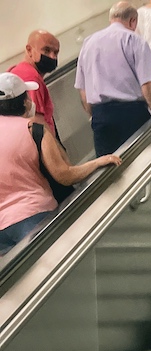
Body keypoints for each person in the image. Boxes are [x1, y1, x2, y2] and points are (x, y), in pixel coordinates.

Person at [0, 73, 120, 254]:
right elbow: (64, 175)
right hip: (34, 216)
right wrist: (97, 162)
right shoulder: (34, 130)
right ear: (24, 101)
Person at [74, 1, 151, 157]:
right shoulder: (135, 40)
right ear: (133, 21)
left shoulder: (88, 43)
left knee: (108, 170)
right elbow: (147, 84)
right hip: (133, 114)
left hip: (101, 117)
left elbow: (83, 91)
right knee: (140, 162)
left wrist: (94, 116)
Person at [8, 29, 61, 136]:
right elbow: (37, 124)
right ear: (29, 50)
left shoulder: (17, 71)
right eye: (46, 50)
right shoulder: (30, 77)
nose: (52, 57)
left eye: (55, 53)